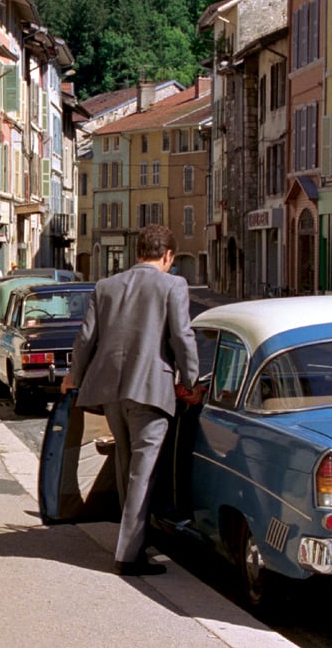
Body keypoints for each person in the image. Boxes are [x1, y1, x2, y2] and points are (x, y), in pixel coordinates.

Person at [61, 224, 202, 577]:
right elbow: (182, 336)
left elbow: (85, 338)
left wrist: (73, 377)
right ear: (167, 256)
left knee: (126, 467)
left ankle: (133, 541)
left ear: (136, 252)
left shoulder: (107, 286)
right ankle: (129, 554)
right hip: (151, 389)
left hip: (111, 391)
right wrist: (191, 378)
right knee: (143, 472)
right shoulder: (173, 285)